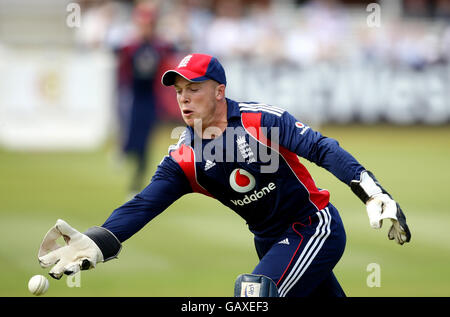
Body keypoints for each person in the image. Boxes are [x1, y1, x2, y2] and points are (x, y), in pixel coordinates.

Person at [37, 53, 411, 297]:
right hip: (270, 243)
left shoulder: (259, 120)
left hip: (312, 228)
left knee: (253, 294)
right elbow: (143, 204)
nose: (183, 99)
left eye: (194, 89)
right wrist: (99, 241)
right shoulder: (185, 159)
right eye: (180, 91)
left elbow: (322, 148)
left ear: (219, 91)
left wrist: (371, 192)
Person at [115, 2, 173, 195]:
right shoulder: (131, 47)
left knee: (145, 140)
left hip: (151, 98)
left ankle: (137, 181)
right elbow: (122, 69)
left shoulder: (160, 46)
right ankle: (124, 151)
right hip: (134, 96)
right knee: (132, 134)